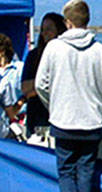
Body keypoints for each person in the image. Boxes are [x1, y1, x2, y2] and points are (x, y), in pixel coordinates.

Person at [34, 0, 102, 192]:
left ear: (67, 22)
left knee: (66, 170)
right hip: (92, 121)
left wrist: (54, 105)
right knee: (85, 171)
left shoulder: (53, 48)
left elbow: (41, 84)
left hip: (63, 119)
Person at [20, 12, 67, 140]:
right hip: (38, 116)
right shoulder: (34, 56)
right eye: (42, 29)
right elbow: (26, 89)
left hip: (61, 117)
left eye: (49, 29)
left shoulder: (67, 56)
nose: (44, 33)